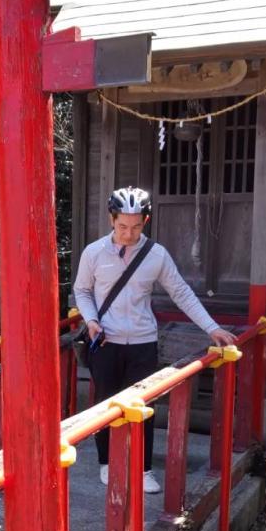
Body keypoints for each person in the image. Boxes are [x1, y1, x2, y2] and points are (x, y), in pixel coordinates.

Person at [73, 186, 236, 492]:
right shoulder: (93, 253)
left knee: (144, 406)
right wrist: (91, 320)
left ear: (145, 221)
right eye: (122, 226)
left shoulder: (156, 255)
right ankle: (107, 464)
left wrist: (211, 327)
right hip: (105, 342)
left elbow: (181, 293)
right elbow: (82, 290)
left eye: (135, 227)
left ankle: (144, 468)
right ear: (111, 219)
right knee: (105, 405)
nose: (128, 234)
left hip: (143, 342)